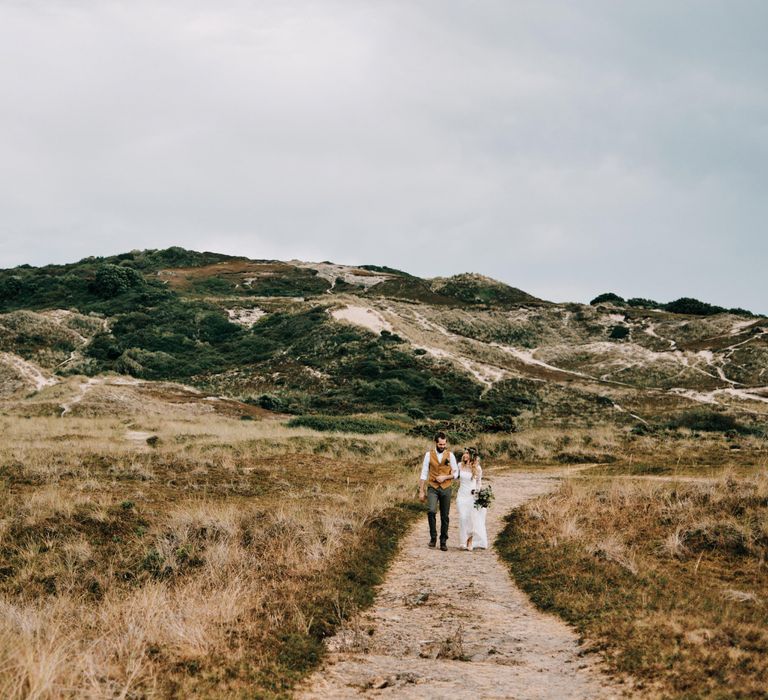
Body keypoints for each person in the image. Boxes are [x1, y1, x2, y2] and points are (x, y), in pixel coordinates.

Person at [418, 431, 458, 551]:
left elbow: (456, 473)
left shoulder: (450, 455)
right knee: (431, 511)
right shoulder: (428, 455)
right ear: (436, 443)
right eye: (440, 444)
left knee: (445, 516)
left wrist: (445, 477)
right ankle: (433, 537)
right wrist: (421, 490)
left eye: (444, 444)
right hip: (433, 487)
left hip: (446, 487)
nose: (442, 446)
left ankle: (443, 540)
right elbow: (424, 473)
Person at [456, 447, 488, 551]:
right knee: (462, 517)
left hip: (471, 496)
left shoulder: (477, 468)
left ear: (472, 456)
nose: (465, 455)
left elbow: (479, 482)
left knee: (470, 519)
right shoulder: (459, 465)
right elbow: (455, 476)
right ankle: (462, 541)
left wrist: (477, 492)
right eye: (464, 453)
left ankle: (469, 541)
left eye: (467, 454)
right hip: (461, 495)